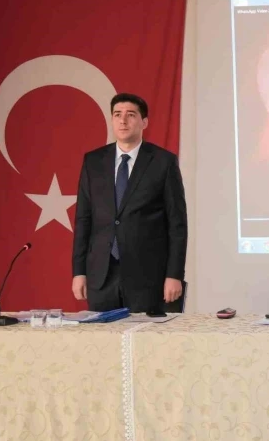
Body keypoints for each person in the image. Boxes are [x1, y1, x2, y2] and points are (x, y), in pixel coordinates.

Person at [71, 93, 188, 312]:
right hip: (101, 277)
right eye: (117, 115)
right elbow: (83, 220)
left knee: (147, 335)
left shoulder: (163, 162)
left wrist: (174, 275)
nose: (123, 121)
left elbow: (177, 225)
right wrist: (79, 272)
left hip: (148, 278)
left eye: (131, 115)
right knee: (101, 335)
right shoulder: (93, 161)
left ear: (144, 122)